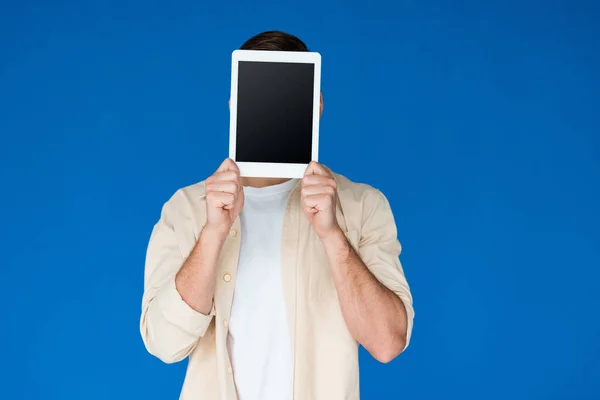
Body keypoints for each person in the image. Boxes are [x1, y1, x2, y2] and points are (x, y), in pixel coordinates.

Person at [140, 31, 414, 400]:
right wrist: (212, 233)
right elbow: (164, 343)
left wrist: (332, 235)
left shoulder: (363, 206)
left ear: (314, 105)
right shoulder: (187, 209)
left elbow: (387, 343)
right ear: (234, 106)